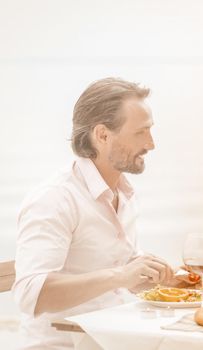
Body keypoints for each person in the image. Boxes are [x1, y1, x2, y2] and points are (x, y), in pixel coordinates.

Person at [12, 77, 178, 349]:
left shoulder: (124, 193)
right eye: (141, 132)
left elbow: (115, 276)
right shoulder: (55, 199)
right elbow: (31, 294)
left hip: (112, 340)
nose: (151, 144)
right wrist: (123, 275)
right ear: (102, 135)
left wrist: (155, 278)